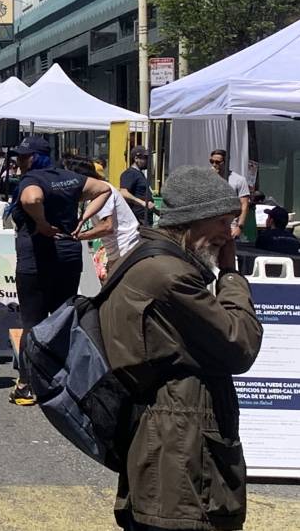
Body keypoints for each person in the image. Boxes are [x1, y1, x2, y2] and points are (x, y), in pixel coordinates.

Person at [100, 166, 262, 531]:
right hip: (182, 451)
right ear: (192, 220)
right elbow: (241, 345)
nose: (229, 232)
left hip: (168, 439)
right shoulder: (170, 276)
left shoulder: (149, 261)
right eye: (222, 221)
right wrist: (232, 276)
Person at [8, 136, 110, 406]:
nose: (18, 161)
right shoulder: (69, 177)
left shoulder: (32, 180)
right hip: (68, 253)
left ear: (34, 158)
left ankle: (26, 384)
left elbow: (31, 199)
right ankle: (63, 378)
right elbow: (104, 189)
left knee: (33, 320)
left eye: (22, 156)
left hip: (37, 257)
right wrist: (84, 219)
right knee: (64, 318)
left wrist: (40, 222)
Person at [67, 158, 141, 279]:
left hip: (125, 250)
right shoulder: (94, 193)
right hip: (119, 251)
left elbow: (107, 227)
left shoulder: (102, 192)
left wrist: (78, 236)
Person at [210, 150, 251, 240]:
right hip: (211, 226)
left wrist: (239, 227)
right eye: (211, 161)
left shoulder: (239, 180)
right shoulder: (208, 178)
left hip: (230, 226)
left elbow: (244, 205)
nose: (214, 164)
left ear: (226, 162)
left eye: (217, 162)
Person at [120, 146, 155, 226]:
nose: (148, 161)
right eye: (145, 158)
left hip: (144, 219)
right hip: (137, 219)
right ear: (136, 158)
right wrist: (142, 203)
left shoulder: (139, 174)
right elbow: (123, 193)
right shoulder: (130, 173)